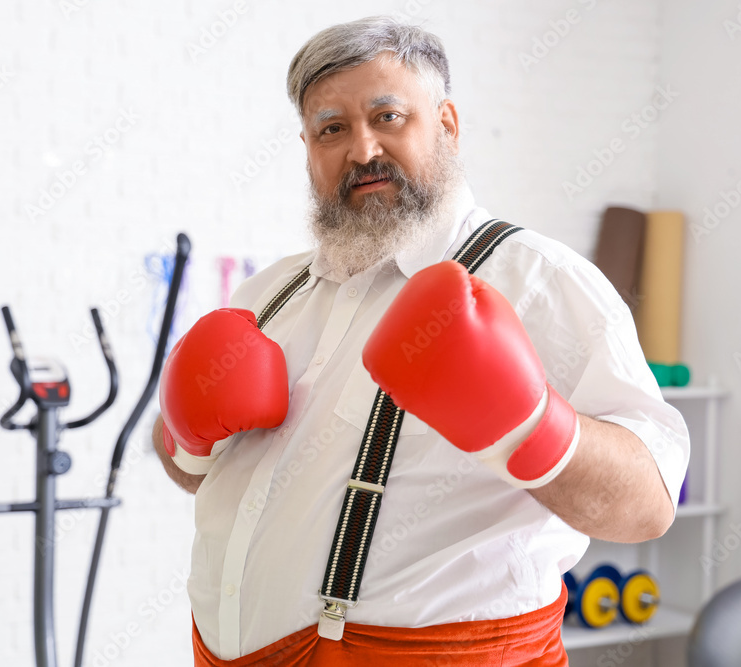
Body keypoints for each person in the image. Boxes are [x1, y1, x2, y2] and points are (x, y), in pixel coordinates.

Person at [152, 16, 689, 666]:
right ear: (306, 146)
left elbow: (648, 507)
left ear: (447, 124)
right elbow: (190, 472)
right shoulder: (269, 295)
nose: (363, 150)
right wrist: (182, 433)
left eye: (388, 117)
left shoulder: (537, 280)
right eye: (332, 129)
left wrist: (533, 424)